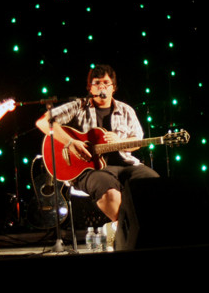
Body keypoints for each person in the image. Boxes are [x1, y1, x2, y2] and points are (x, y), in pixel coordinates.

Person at [36, 64, 159, 240]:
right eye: (97, 83)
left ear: (114, 87)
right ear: (90, 88)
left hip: (125, 164)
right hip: (89, 170)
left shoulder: (126, 110)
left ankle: (148, 230)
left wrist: (120, 142)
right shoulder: (78, 106)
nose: (102, 86)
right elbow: (43, 122)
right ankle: (128, 233)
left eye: (106, 83)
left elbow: (137, 142)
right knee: (106, 187)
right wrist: (70, 142)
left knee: (152, 180)